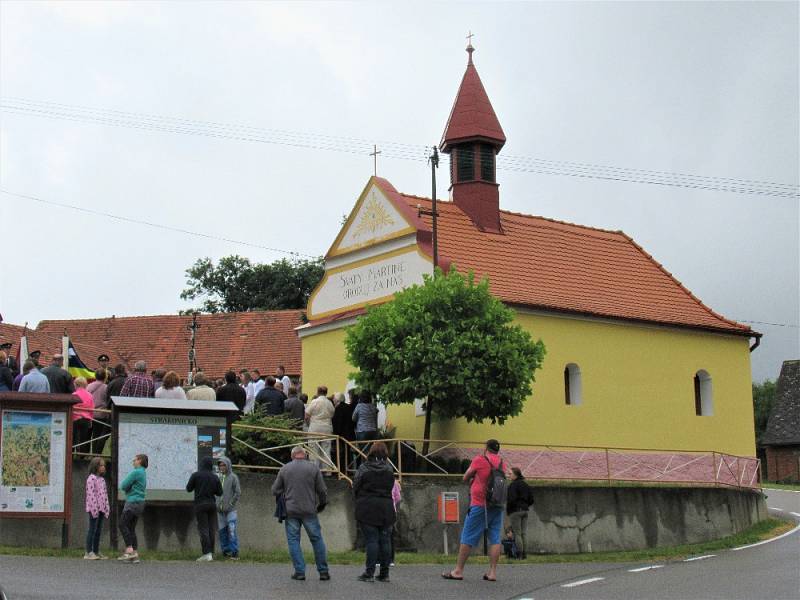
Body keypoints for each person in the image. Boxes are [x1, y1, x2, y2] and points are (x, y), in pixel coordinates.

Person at [442, 439, 506, 582]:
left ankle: (458, 571)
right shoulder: (502, 463)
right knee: (495, 538)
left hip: (480, 503)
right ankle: (493, 573)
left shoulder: (480, 460)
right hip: (497, 505)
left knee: (467, 537)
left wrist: (473, 479)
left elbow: (465, 477)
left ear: (486, 448)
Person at [270, 446, 330, 581]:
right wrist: (322, 504)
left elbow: (274, 490)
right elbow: (322, 490)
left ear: (292, 456)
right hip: (309, 510)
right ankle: (323, 572)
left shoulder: (285, 469)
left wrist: (285, 492)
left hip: (291, 511)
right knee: (317, 539)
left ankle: (300, 572)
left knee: (293, 541)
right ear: (305, 455)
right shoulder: (313, 468)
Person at [353, 441, 396, 583]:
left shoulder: (364, 468)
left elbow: (356, 485)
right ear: (385, 453)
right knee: (385, 541)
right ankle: (385, 574)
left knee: (371, 540)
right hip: (386, 507)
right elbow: (391, 487)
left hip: (367, 507)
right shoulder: (389, 469)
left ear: (371, 452)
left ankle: (369, 573)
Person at [186, 456, 223, 562]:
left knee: (203, 529)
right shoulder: (215, 477)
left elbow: (188, 488)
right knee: (211, 529)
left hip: (200, 505)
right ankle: (211, 552)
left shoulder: (196, 475)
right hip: (212, 504)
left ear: (201, 465)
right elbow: (220, 492)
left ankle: (206, 553)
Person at [118, 453, 148, 563]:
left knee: (122, 524)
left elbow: (124, 485)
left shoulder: (136, 472)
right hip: (140, 503)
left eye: (135, 460)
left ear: (140, 461)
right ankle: (135, 555)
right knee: (131, 528)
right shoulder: (143, 473)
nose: (133, 462)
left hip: (132, 502)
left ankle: (129, 550)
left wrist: (128, 489)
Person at [84, 457, 110, 560]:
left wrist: (106, 507)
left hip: (102, 509)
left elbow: (105, 494)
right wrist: (94, 509)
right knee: (92, 530)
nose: (103, 467)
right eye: (101, 465)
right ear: (95, 466)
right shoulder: (91, 479)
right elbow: (91, 495)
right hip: (94, 509)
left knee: (98, 530)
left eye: (104, 465)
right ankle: (88, 552)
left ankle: (96, 551)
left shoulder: (102, 480)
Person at [216, 457, 241, 560]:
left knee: (231, 531)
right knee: (222, 532)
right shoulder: (219, 477)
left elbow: (238, 492)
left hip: (231, 511)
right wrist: (216, 504)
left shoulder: (233, 477)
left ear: (228, 465)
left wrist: (230, 504)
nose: (221, 467)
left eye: (223, 465)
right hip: (220, 511)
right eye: (220, 465)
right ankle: (226, 552)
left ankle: (235, 552)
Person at [506, 466, 534, 559]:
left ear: (516, 475)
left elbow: (511, 500)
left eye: (510, 474)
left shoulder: (513, 485)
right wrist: (525, 506)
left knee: (517, 533)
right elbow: (531, 500)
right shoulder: (526, 485)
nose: (509, 475)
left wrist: (509, 511)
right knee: (523, 533)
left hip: (516, 511)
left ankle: (519, 554)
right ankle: (525, 554)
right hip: (525, 511)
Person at [305, 387, 335, 470]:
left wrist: (309, 424)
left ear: (318, 392)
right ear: (326, 393)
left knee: (313, 448)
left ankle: (314, 469)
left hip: (315, 427)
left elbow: (306, 415)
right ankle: (327, 470)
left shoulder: (314, 402)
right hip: (327, 428)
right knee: (326, 449)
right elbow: (332, 414)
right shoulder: (329, 403)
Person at [87, 369, 110, 454]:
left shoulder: (88, 386)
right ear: (105, 377)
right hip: (101, 415)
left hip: (89, 414)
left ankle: (84, 454)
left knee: (87, 436)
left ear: (95, 376)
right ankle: (96, 454)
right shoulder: (106, 387)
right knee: (98, 436)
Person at [352, 391, 379, 462]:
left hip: (362, 431)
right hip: (373, 431)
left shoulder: (359, 406)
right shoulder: (373, 407)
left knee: (363, 451)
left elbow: (353, 418)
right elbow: (375, 418)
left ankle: (365, 467)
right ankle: (372, 466)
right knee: (372, 450)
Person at [71, 377, 95, 452]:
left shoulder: (74, 394)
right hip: (86, 419)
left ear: (76, 384)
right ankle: (81, 456)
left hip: (74, 419)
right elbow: (92, 409)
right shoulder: (90, 395)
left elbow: (71, 407)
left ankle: (71, 454)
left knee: (72, 438)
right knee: (83, 439)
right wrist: (91, 420)